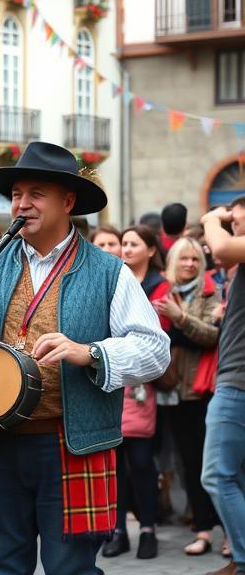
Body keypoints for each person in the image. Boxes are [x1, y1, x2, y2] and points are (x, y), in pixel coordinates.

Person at [0, 141, 170, 575]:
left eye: (36, 193)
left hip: (70, 444)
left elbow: (155, 351)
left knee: (69, 569)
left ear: (67, 201)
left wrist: (89, 352)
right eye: (17, 193)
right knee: (3, 567)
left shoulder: (108, 271)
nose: (22, 203)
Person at [151, 237, 225, 558]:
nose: (190, 265)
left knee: (217, 464)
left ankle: (229, 532)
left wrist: (179, 318)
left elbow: (212, 335)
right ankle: (204, 529)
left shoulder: (211, 293)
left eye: (195, 259)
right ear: (173, 263)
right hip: (172, 391)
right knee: (188, 464)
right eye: (184, 259)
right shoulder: (164, 294)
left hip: (202, 389)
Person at [101, 225, 167, 559]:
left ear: (151, 249)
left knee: (141, 461)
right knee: (113, 463)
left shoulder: (156, 286)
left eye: (128, 243)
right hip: (109, 385)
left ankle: (147, 528)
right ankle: (117, 530)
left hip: (141, 388)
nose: (122, 249)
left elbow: (158, 344)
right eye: (118, 243)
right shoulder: (107, 281)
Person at [200, 196, 245, 575]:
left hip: (238, 385)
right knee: (236, 477)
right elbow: (221, 256)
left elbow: (220, 247)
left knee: (216, 474)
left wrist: (212, 218)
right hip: (234, 381)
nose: (233, 222)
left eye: (239, 217)